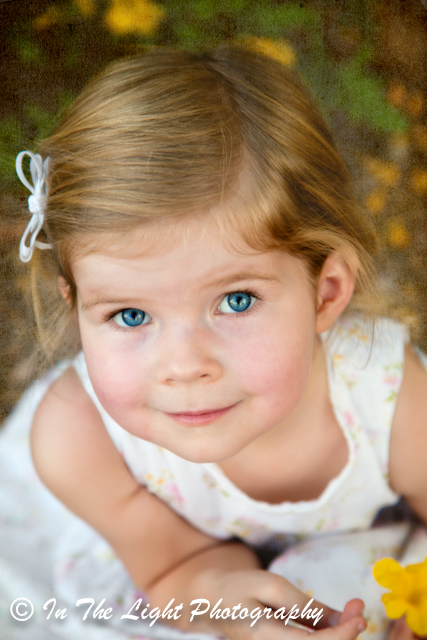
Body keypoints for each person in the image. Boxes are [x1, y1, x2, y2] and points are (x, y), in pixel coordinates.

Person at [6, 45, 427, 640]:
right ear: (77, 308)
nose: (184, 366)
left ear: (326, 293)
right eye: (129, 315)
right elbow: (176, 563)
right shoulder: (79, 440)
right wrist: (233, 606)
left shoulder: (388, 400)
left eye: (235, 302)